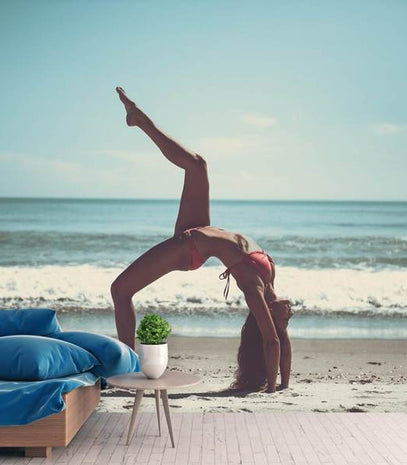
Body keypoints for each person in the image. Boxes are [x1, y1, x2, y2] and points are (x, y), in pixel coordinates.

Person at [111, 87, 293, 393]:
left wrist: (272, 389)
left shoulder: (254, 288)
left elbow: (272, 341)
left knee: (119, 290)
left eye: (282, 318)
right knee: (198, 164)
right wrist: (286, 383)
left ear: (265, 316)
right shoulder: (269, 274)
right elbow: (280, 339)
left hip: (188, 248)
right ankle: (139, 120)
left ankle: (128, 369)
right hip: (200, 230)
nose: (287, 313)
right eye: (285, 318)